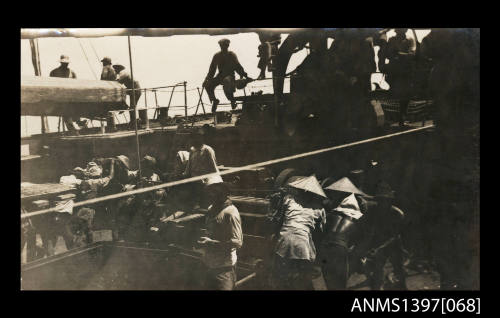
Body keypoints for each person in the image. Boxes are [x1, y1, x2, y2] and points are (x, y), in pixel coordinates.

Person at [267, 175, 327, 290]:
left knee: (281, 275)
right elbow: (320, 232)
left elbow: (279, 218)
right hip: (302, 243)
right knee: (302, 278)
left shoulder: (289, 200)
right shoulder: (319, 209)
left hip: (285, 240)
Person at [351, 181, 407, 290]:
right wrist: (365, 247)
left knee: (398, 268)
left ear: (390, 201)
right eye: (380, 200)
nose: (383, 202)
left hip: (394, 243)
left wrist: (380, 248)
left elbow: (395, 236)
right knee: (377, 268)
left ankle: (402, 287)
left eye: (385, 200)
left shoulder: (397, 214)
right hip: (378, 242)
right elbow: (369, 231)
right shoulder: (372, 210)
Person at [319, 177, 368, 290]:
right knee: (340, 284)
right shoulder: (357, 217)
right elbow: (361, 240)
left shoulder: (331, 214)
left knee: (330, 283)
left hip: (325, 246)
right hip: (340, 247)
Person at [197, 182, 243, 290]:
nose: (210, 195)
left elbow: (238, 242)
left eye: (214, 192)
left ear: (223, 194)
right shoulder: (211, 209)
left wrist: (211, 242)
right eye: (209, 192)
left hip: (224, 268)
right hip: (208, 263)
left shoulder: (231, 212)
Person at [203, 38, 249, 112]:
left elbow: (237, 66)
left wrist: (244, 75)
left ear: (227, 46)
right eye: (221, 45)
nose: (223, 47)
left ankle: (232, 100)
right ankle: (214, 100)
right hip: (220, 76)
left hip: (230, 76)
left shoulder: (231, 55)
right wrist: (206, 79)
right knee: (208, 85)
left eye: (224, 45)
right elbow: (212, 69)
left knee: (227, 81)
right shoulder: (217, 56)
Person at [382, 28, 416, 127]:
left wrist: (399, 54)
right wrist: (400, 55)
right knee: (398, 94)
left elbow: (412, 54)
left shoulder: (410, 40)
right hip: (394, 72)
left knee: (406, 95)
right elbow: (388, 54)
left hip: (406, 71)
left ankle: (402, 117)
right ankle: (397, 117)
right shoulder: (392, 40)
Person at [183, 129, 223, 209]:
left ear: (201, 139)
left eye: (197, 138)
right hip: (195, 180)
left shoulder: (207, 150)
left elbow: (213, 167)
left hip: (205, 181)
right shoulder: (192, 150)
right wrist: (184, 175)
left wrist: (212, 181)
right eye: (193, 138)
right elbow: (189, 166)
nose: (194, 140)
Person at [49, 55, 80, 133]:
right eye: (64, 63)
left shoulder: (72, 72)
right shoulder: (54, 72)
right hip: (59, 98)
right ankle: (72, 130)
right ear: (61, 63)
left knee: (75, 111)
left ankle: (78, 125)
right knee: (66, 112)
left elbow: (77, 85)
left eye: (66, 63)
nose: (65, 64)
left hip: (71, 98)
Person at [112, 64, 146, 128]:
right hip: (134, 90)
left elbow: (118, 82)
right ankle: (124, 106)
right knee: (131, 105)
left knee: (132, 107)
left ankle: (133, 122)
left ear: (118, 69)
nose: (115, 71)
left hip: (135, 90)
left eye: (115, 70)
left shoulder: (123, 73)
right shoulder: (124, 73)